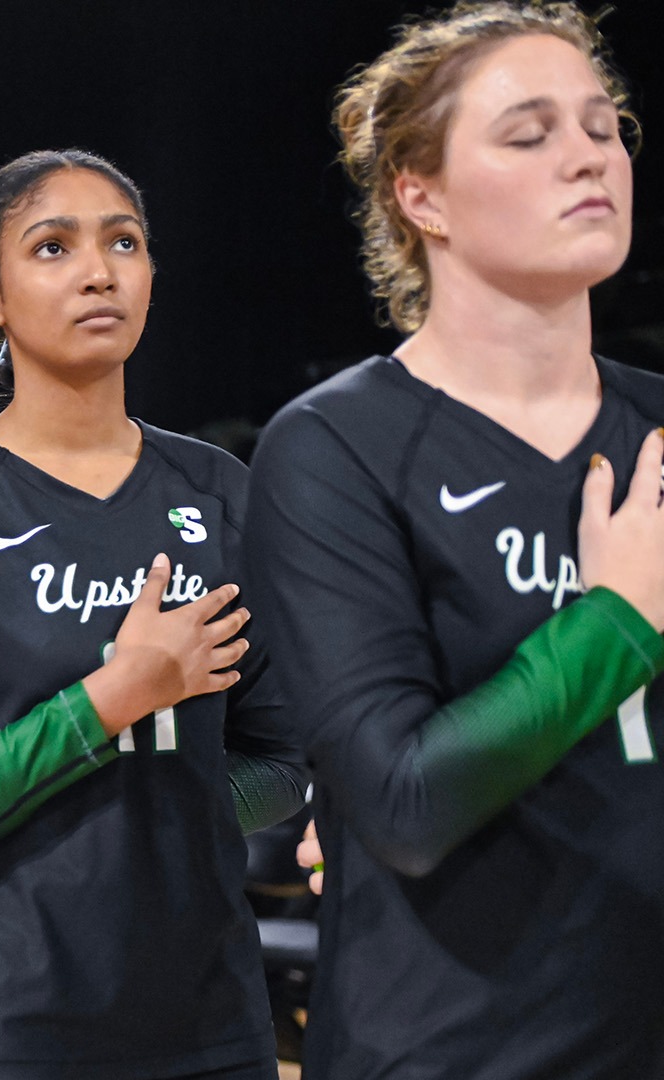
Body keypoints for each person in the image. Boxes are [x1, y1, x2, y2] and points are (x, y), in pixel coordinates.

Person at [246, 4, 664, 1076]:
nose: (589, 157)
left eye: (604, 126)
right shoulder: (337, 446)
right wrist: (616, 618)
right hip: (454, 1047)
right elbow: (404, 802)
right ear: (419, 194)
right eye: (529, 135)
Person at [0, 149, 306, 1079]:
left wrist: (162, 789)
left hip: (208, 1027)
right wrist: (109, 704)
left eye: (123, 243)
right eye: (52, 247)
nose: (99, 271)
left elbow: (283, 765)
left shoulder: (222, 493)